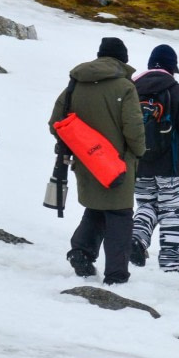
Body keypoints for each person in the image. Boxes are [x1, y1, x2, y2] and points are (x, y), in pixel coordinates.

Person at [49, 37, 146, 285]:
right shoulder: (125, 86)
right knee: (120, 215)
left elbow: (55, 122)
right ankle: (116, 274)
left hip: (85, 160)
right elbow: (133, 128)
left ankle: (81, 251)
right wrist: (138, 151)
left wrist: (81, 142)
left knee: (96, 207)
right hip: (117, 162)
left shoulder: (76, 82)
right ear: (123, 59)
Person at [129, 44, 179, 273]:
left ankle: (137, 238)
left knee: (145, 205)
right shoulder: (176, 90)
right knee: (171, 211)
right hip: (170, 165)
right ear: (171, 67)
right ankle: (170, 263)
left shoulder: (132, 88)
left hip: (139, 161)